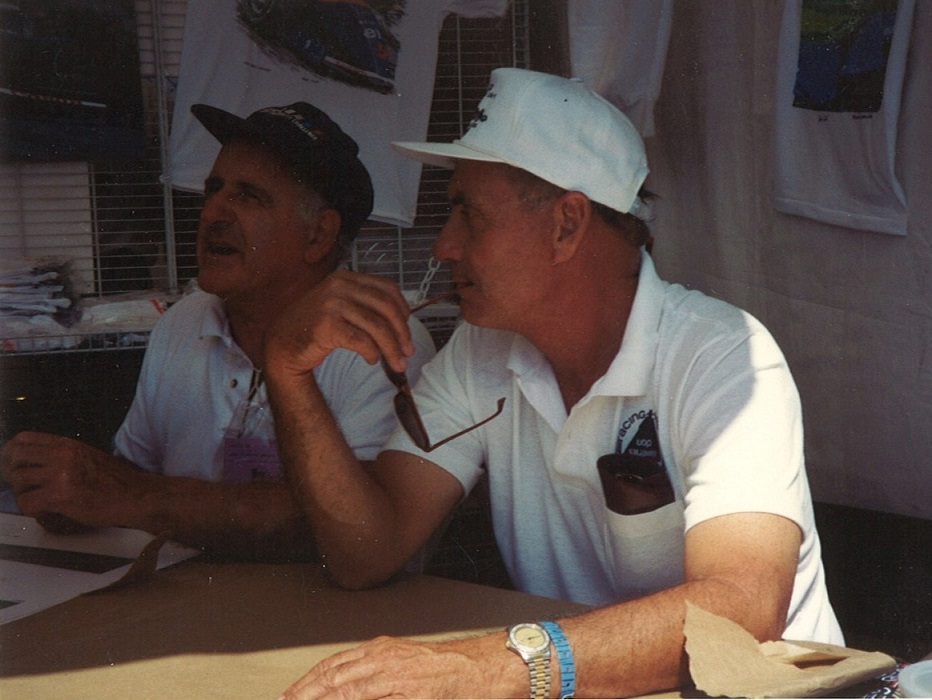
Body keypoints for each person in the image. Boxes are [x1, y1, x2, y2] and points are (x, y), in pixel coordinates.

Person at [266, 68, 843, 698]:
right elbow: (366, 551)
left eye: (468, 215)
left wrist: (490, 668)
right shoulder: (480, 350)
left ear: (567, 225)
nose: (444, 246)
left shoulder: (722, 353)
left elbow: (741, 608)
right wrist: (288, 371)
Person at [0, 102, 435, 561]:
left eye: (249, 195)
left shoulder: (382, 339)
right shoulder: (184, 322)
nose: (213, 213)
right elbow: (130, 476)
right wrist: (74, 495)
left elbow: (354, 533)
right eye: (213, 190)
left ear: (318, 235)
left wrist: (128, 497)